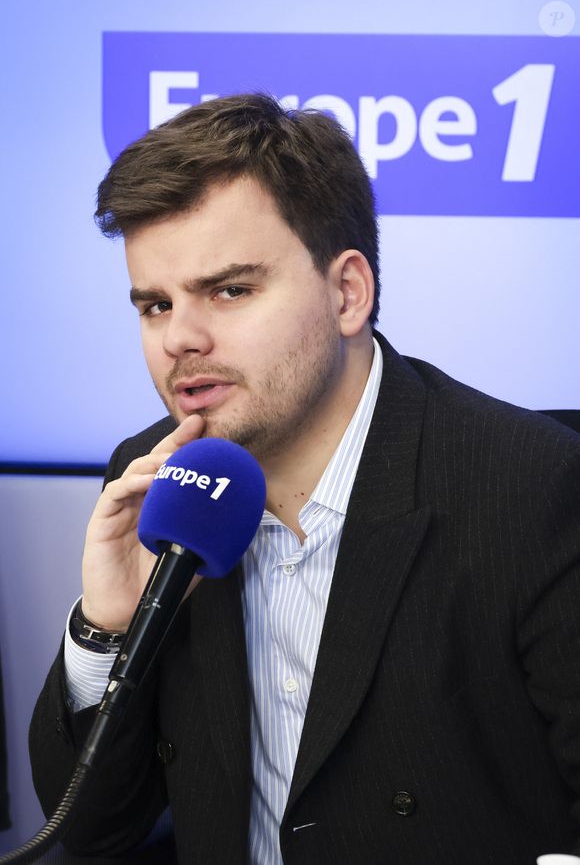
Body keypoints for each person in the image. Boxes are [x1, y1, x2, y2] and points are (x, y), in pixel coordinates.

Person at [29, 93, 580, 865]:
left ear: (347, 291)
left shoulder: (532, 485)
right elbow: (89, 829)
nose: (180, 338)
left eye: (230, 290)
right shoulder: (157, 479)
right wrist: (107, 629)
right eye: (155, 304)